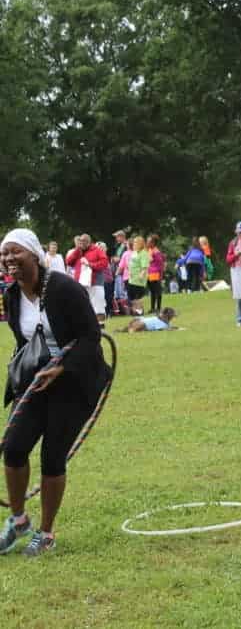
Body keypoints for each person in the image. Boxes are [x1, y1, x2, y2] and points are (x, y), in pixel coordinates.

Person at [0, 229, 111, 555]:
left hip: (74, 381)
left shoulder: (64, 289)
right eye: (4, 254)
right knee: (15, 447)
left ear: (35, 255)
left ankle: (46, 534)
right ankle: (19, 520)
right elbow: (25, 342)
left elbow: (91, 336)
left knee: (52, 455)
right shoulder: (13, 296)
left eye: (15, 252)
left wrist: (62, 366)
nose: (8, 259)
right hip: (37, 382)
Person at [65, 234, 109, 325]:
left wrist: (90, 264)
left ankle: (100, 324)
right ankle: (84, 324)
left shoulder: (97, 250)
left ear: (89, 242)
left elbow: (104, 263)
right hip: (80, 282)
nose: (81, 244)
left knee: (98, 303)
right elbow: (69, 262)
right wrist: (77, 251)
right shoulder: (78, 251)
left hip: (95, 281)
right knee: (81, 304)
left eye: (84, 242)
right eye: (80, 242)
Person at [127, 236, 150, 315]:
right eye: (134, 242)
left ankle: (139, 311)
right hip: (131, 278)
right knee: (132, 297)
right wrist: (129, 271)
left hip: (139, 279)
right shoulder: (134, 252)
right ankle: (135, 310)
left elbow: (145, 266)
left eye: (136, 242)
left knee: (138, 297)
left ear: (140, 244)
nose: (134, 244)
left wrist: (142, 274)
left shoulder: (144, 253)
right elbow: (131, 263)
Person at [146, 234, 165, 314]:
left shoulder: (156, 252)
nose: (147, 243)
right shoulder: (149, 250)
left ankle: (158, 308)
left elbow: (160, 264)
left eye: (148, 241)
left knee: (157, 291)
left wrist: (160, 275)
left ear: (153, 243)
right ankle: (153, 308)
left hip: (155, 273)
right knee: (153, 292)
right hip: (149, 273)